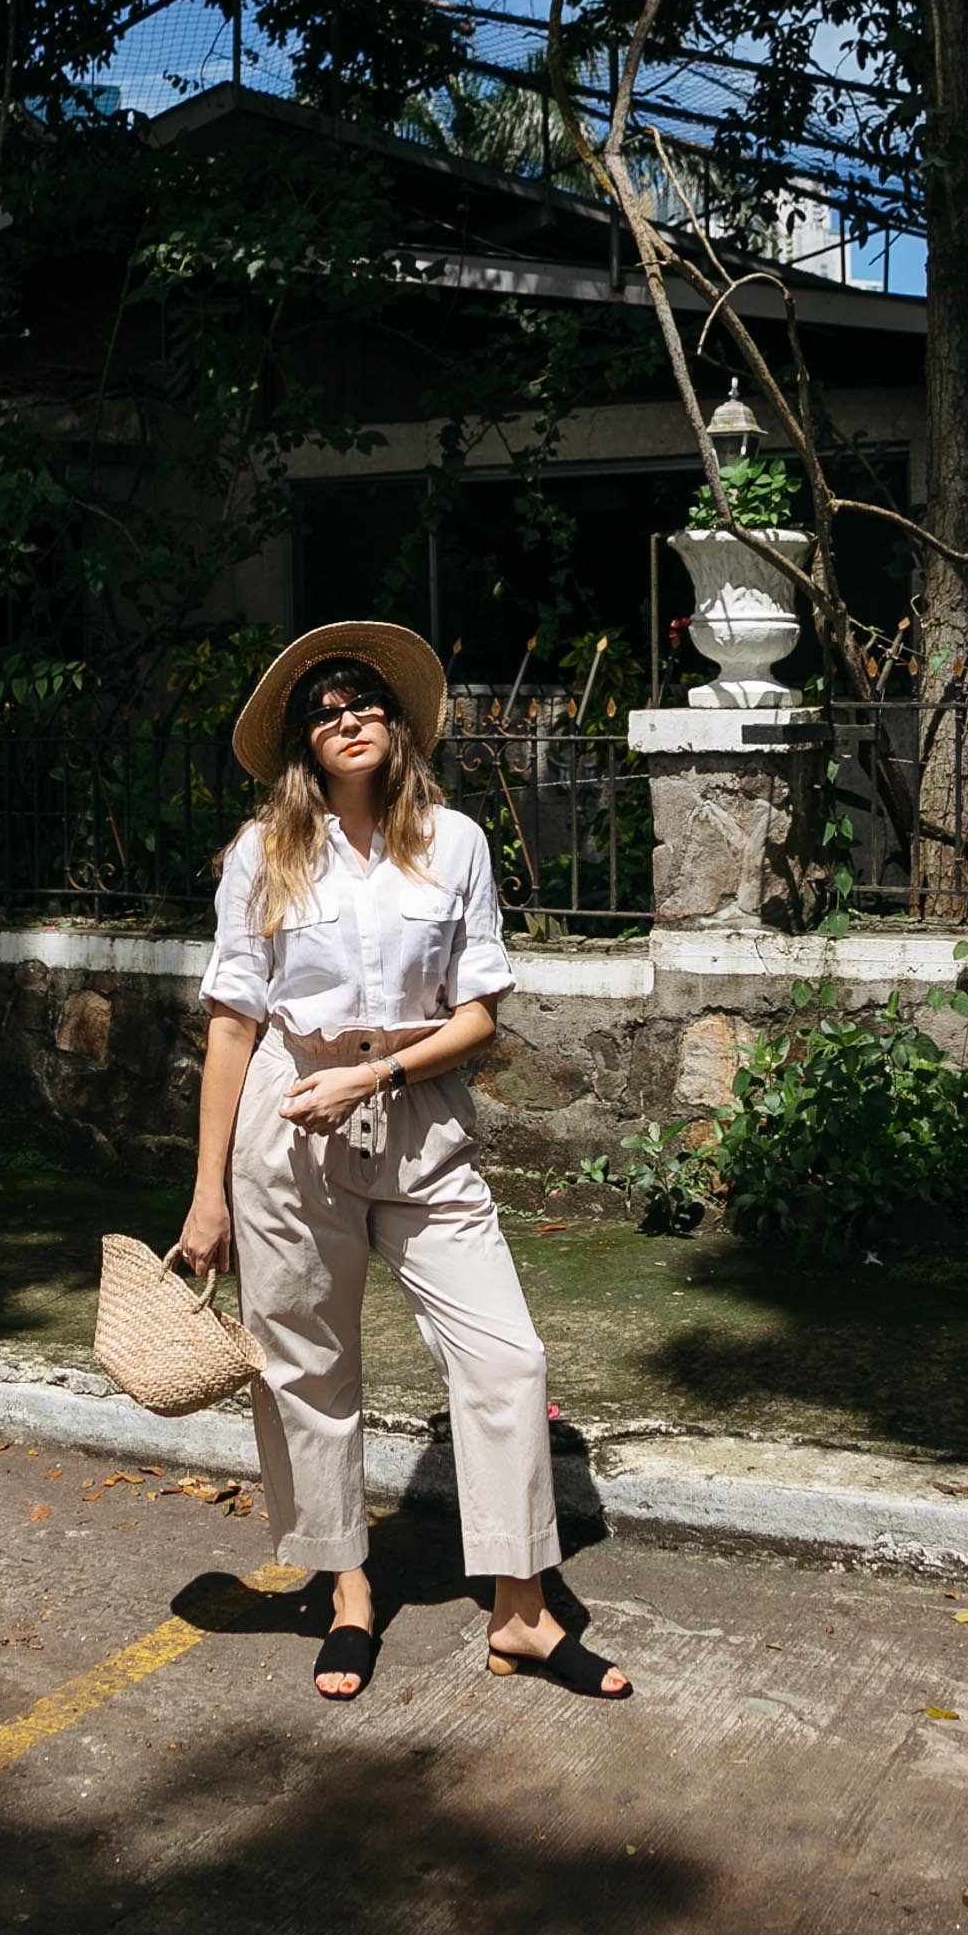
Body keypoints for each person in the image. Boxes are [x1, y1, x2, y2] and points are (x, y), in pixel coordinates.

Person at [178, 618, 631, 1705]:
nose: (345, 719)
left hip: (416, 1114)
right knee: (308, 1371)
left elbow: (479, 1016)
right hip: (285, 1124)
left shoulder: (456, 841)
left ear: (397, 724)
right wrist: (206, 1197)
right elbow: (234, 1026)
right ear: (302, 742)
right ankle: (347, 1592)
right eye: (322, 710)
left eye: (361, 702)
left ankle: (522, 1614)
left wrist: (374, 1077)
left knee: (506, 1361)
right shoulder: (261, 855)